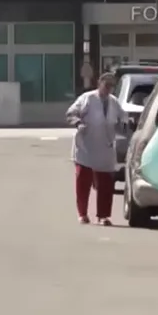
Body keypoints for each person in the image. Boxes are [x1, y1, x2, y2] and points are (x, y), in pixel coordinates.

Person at [65, 73, 122, 225]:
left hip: (105, 147)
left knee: (105, 184)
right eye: (106, 85)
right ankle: (82, 213)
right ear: (99, 84)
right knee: (83, 182)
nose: (108, 89)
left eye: (111, 86)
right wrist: (78, 123)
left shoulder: (114, 102)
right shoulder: (87, 98)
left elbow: (122, 119)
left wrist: (124, 126)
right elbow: (70, 113)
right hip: (86, 145)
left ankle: (103, 216)